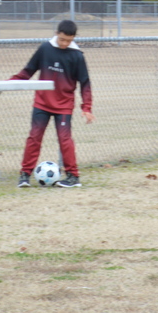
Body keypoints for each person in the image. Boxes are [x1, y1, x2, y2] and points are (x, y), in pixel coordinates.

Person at [10, 19, 94, 188]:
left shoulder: (77, 55)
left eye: (69, 40)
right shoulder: (45, 49)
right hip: (41, 103)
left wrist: (87, 107)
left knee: (65, 140)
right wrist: (10, 83)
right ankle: (24, 175)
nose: (64, 44)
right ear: (56, 34)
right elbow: (28, 70)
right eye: (62, 39)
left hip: (64, 106)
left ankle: (73, 177)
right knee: (34, 138)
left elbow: (85, 82)